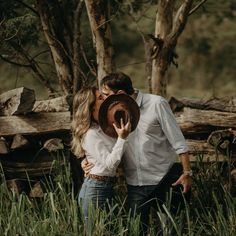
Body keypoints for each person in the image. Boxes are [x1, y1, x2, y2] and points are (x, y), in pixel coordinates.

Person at [82, 73, 193, 235]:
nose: (104, 100)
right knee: (136, 230)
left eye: (106, 95)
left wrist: (187, 172)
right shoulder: (112, 111)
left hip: (163, 180)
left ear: (119, 94)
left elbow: (178, 141)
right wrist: (87, 160)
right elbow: (103, 144)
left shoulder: (156, 103)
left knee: (170, 231)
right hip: (135, 185)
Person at [71, 87, 131, 233]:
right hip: (96, 190)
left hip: (105, 187)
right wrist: (122, 138)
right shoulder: (91, 133)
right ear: (90, 108)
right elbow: (110, 164)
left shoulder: (103, 128)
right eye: (100, 98)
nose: (105, 99)